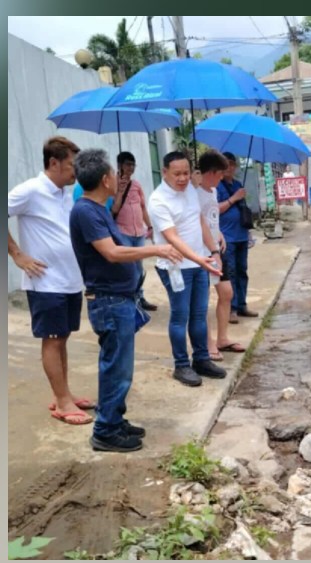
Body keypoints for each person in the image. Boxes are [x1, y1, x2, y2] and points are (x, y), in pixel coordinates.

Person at [69, 149, 186, 452]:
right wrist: (156, 250)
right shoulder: (85, 211)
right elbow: (111, 252)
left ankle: (115, 418)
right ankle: (105, 431)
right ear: (105, 179)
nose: (117, 177)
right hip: (109, 301)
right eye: (113, 172)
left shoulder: (99, 209)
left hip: (119, 298)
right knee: (116, 368)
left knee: (121, 367)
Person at [8, 136, 95, 425]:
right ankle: (62, 402)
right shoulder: (30, 190)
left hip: (69, 280)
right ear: (54, 163)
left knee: (62, 338)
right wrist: (17, 254)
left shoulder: (65, 194)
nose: (76, 172)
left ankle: (63, 395)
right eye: (72, 165)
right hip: (45, 283)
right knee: (53, 340)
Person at [149, 152, 226, 387]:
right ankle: (181, 364)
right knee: (180, 315)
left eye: (186, 173)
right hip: (175, 266)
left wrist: (213, 251)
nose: (182, 178)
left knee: (200, 314)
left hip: (199, 262)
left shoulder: (191, 190)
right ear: (164, 172)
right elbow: (172, 237)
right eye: (177, 174)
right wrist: (199, 259)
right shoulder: (158, 200)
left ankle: (201, 359)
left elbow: (200, 221)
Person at [194, 151, 244, 360]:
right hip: (203, 253)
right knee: (202, 300)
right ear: (211, 172)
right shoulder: (194, 194)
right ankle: (208, 343)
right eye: (220, 173)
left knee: (226, 293)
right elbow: (198, 224)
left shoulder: (213, 191)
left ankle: (222, 338)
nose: (222, 177)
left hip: (217, 249)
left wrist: (219, 234)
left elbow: (211, 219)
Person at [111, 151, 157, 312]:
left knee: (138, 267)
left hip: (139, 233)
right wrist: (119, 190)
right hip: (122, 232)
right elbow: (113, 208)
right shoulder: (112, 184)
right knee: (127, 267)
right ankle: (128, 298)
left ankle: (139, 297)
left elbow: (142, 207)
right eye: (127, 164)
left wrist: (149, 226)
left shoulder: (136, 185)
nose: (130, 168)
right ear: (119, 165)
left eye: (133, 165)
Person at [217, 152, 259, 324]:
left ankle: (242, 304)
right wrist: (234, 198)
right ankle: (231, 308)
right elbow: (216, 209)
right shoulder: (217, 187)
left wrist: (248, 232)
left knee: (242, 271)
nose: (230, 167)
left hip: (241, 235)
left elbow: (243, 209)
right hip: (227, 237)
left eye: (232, 164)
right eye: (226, 164)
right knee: (231, 273)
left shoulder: (237, 185)